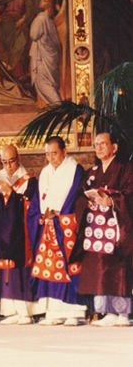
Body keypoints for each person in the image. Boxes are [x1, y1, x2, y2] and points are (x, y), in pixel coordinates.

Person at [72, 132, 132, 326]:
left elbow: (129, 194)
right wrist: (86, 203)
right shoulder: (92, 172)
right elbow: (80, 196)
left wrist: (112, 200)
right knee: (99, 265)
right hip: (96, 226)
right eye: (96, 144)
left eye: (103, 144)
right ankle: (106, 311)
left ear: (114, 147)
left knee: (117, 267)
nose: (98, 148)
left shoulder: (126, 168)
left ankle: (122, 313)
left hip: (116, 225)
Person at [27, 136, 87, 326]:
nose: (51, 158)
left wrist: (60, 216)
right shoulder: (45, 172)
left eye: (54, 153)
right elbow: (38, 198)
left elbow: (75, 197)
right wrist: (40, 216)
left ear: (64, 151)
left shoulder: (75, 170)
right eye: (47, 154)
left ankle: (74, 312)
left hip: (66, 225)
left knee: (69, 266)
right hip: (48, 226)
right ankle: (53, 311)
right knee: (50, 267)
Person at [0, 145, 38, 324]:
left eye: (11, 161)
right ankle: (11, 310)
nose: (8, 166)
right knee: (6, 268)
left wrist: (11, 194)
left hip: (21, 234)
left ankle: (25, 311)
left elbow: (29, 206)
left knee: (20, 268)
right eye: (4, 162)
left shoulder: (29, 180)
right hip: (4, 235)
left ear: (18, 158)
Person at [29, 0, 62, 106]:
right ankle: (57, 107)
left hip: (42, 57)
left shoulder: (41, 19)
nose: (40, 2)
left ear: (48, 4)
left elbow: (34, 35)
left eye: (43, 1)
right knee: (48, 83)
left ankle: (59, 106)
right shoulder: (49, 19)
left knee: (42, 82)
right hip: (50, 56)